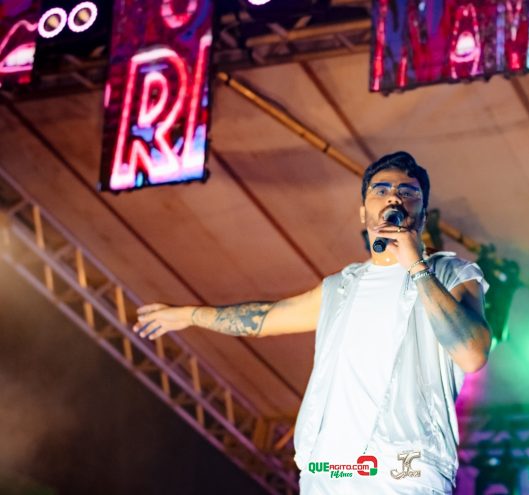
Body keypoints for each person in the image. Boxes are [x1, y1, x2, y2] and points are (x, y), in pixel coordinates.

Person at [133, 151, 492, 494]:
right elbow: (264, 318)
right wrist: (188, 315)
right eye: (380, 190)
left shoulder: (451, 273)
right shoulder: (340, 287)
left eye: (408, 192)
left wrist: (416, 267)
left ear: (423, 216)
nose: (394, 198)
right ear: (363, 212)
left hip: (404, 473)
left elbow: (472, 354)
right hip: (327, 473)